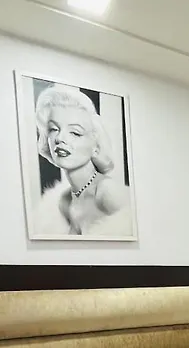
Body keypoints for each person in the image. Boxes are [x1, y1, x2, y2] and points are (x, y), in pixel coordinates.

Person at [32, 86, 131, 237]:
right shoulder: (64, 201)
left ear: (96, 146)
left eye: (75, 132)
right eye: (54, 129)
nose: (59, 138)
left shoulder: (108, 192)